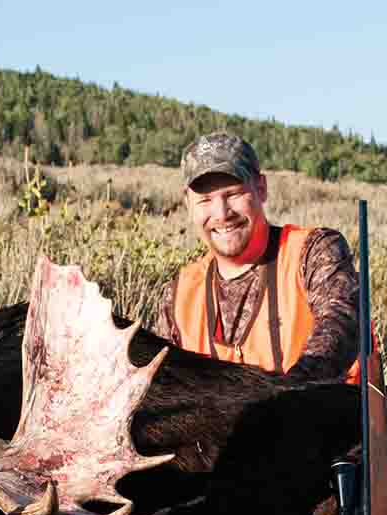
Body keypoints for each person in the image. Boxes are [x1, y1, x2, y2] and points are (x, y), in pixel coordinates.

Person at [154, 131, 364, 382]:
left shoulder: (313, 253)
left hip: (322, 415)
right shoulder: (179, 295)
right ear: (188, 203)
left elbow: (341, 324)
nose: (221, 213)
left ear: (261, 188)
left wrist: (286, 396)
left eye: (233, 194)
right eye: (205, 200)